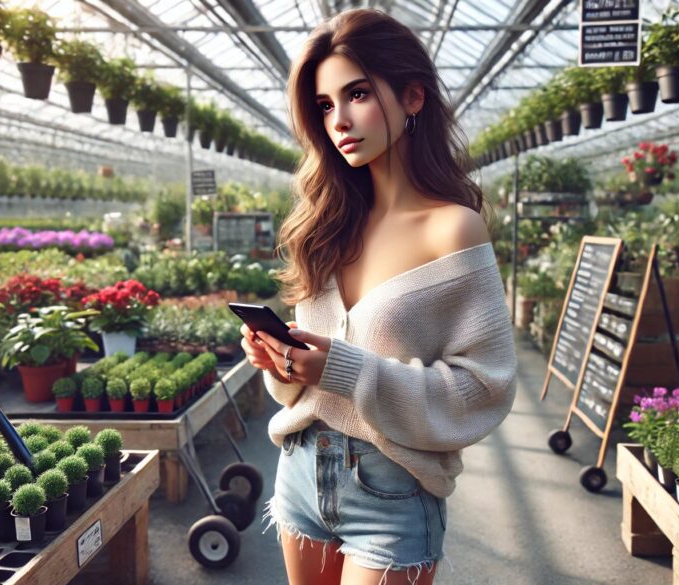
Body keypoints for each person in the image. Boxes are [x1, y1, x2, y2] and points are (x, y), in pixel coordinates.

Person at [240, 8, 518, 585]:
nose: (338, 119)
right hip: (299, 471)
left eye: (357, 94)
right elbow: (298, 387)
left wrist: (344, 370)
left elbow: (483, 388)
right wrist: (281, 361)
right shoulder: (325, 225)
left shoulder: (453, 229)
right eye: (324, 105)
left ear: (412, 96)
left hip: (389, 487)